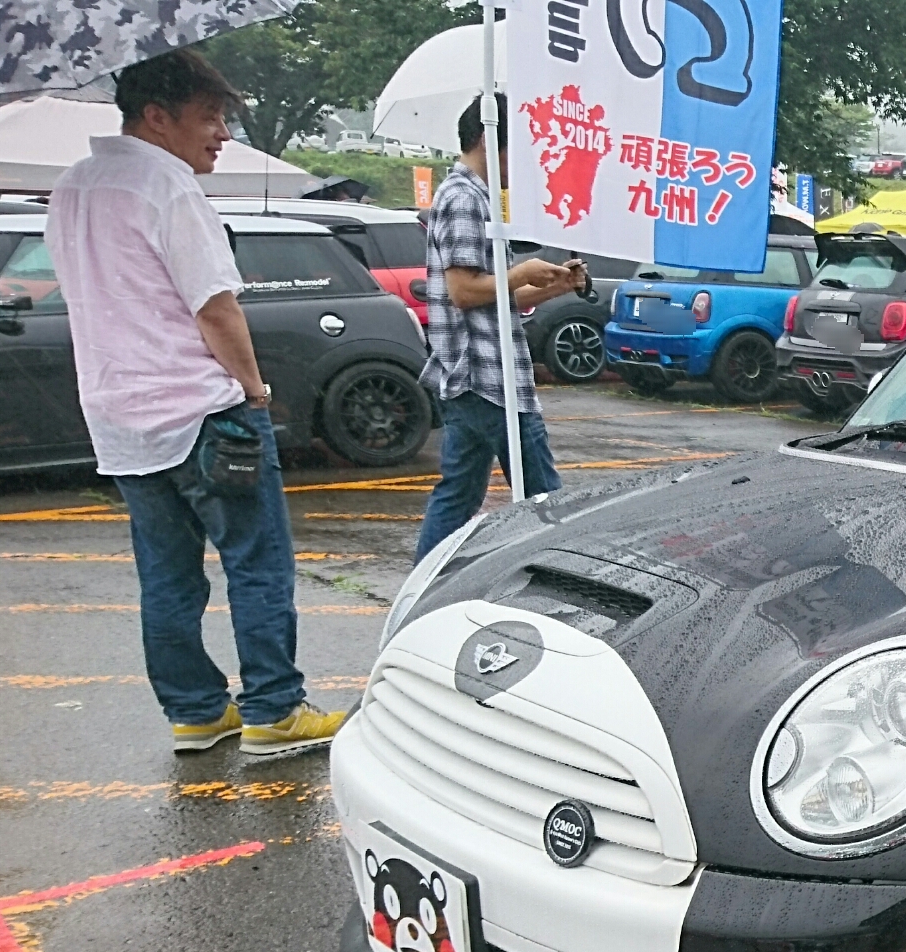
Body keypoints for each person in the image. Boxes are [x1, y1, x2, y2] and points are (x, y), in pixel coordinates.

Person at [46, 49, 346, 757]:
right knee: (257, 563)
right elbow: (215, 308)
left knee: (167, 575)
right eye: (210, 117)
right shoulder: (167, 185)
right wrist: (254, 390)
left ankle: (196, 712)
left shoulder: (73, 186)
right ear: (157, 116)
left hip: (119, 420)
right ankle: (275, 709)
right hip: (203, 413)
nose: (222, 134)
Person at [417, 97, 586, 559]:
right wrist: (521, 272)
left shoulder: (474, 197)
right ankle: (561, 575)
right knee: (545, 500)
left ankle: (424, 582)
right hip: (488, 377)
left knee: (458, 498)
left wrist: (556, 286)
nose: (525, 164)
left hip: (477, 375)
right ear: (487, 141)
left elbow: (496, 298)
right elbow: (463, 291)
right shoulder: (463, 199)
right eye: (519, 150)